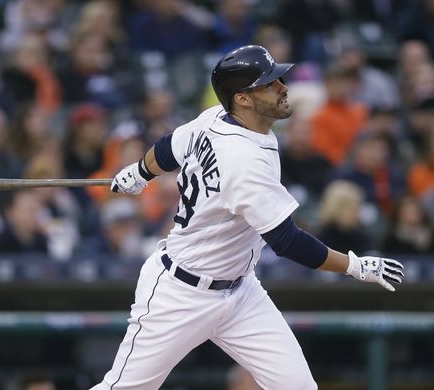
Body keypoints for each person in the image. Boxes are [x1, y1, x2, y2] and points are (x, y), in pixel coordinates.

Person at [100, 45, 405, 390]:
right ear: (243, 99)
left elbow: (170, 147)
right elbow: (287, 241)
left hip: (241, 292)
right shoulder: (244, 162)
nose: (284, 87)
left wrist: (141, 171)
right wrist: (354, 266)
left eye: (280, 79)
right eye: (270, 83)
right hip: (180, 292)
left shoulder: (215, 118)